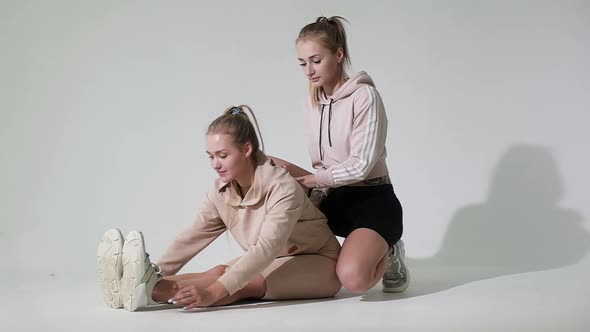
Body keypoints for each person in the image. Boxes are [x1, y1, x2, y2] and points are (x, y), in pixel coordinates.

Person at [97, 105, 342, 311]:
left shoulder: (282, 186)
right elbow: (192, 236)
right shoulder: (221, 191)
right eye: (210, 156)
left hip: (320, 263)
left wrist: (213, 293)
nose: (215, 164)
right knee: (220, 270)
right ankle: (140, 283)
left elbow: (268, 247)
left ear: (246, 150)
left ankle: (153, 291)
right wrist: (158, 269)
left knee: (241, 283)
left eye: (222, 155)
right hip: (278, 257)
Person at [269, 16, 409, 293]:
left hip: (372, 199)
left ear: (339, 54)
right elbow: (320, 164)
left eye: (316, 60)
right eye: (302, 63)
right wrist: (313, 191)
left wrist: (309, 183)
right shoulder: (311, 102)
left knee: (353, 278)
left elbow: (360, 166)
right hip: (333, 195)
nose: (308, 70)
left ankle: (390, 251)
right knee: (265, 164)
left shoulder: (365, 97)